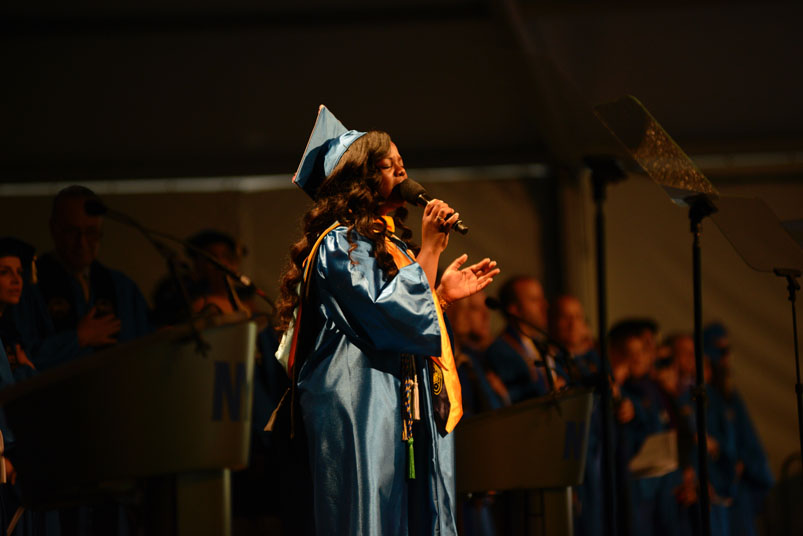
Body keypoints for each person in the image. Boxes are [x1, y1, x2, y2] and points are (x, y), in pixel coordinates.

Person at [273, 106, 499, 535]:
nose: (402, 171)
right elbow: (388, 316)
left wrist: (442, 296)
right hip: (359, 404)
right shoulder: (338, 244)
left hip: (397, 403)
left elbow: (408, 312)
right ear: (359, 178)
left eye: (402, 163)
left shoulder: (387, 241)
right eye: (388, 164)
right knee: (368, 517)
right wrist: (430, 251)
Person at [33, 185, 151, 369]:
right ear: (54, 229)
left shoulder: (121, 287)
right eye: (72, 231)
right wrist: (77, 339)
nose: (82, 242)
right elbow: (22, 357)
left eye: (91, 232)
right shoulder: (31, 284)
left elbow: (144, 347)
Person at [485, 275, 562, 403]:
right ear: (514, 309)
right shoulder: (501, 350)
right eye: (535, 300)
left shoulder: (542, 345)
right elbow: (515, 398)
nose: (544, 305)